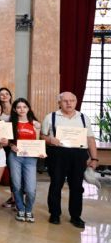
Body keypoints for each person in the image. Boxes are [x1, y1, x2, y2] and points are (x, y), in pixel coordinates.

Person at [41, 92, 98, 228]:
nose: (69, 103)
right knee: (56, 184)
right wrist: (50, 139)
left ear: (76, 102)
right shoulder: (51, 117)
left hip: (79, 156)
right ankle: (54, 214)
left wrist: (94, 158)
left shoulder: (84, 118)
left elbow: (90, 139)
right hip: (58, 154)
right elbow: (42, 136)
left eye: (72, 100)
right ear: (59, 103)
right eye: (65, 101)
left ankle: (76, 216)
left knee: (77, 187)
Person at [9, 98, 43, 223]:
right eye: (19, 107)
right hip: (15, 157)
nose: (22, 109)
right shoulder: (11, 123)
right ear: (14, 109)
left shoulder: (35, 124)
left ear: (28, 108)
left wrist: (41, 152)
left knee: (30, 188)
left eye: (24, 107)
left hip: (30, 158)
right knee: (17, 185)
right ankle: (21, 209)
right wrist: (11, 145)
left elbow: (38, 142)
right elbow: (7, 141)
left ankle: (29, 209)